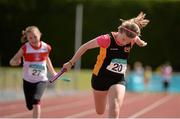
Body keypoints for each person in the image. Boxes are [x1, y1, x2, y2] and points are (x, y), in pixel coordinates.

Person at [63, 12, 150, 118]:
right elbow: (85, 47)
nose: (124, 43)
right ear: (119, 30)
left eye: (128, 41)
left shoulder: (131, 39)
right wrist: (71, 62)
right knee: (100, 111)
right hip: (100, 78)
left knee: (115, 106)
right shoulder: (106, 39)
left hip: (118, 78)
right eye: (123, 39)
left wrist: (138, 40)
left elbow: (135, 38)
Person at [9, 26, 57, 118]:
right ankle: (29, 104)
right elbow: (12, 60)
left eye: (35, 36)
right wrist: (15, 62)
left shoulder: (46, 47)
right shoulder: (25, 48)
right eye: (30, 38)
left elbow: (47, 59)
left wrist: (53, 72)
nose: (33, 39)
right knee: (29, 105)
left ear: (40, 35)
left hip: (41, 80)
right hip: (27, 81)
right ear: (27, 39)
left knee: (36, 100)